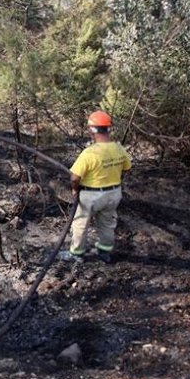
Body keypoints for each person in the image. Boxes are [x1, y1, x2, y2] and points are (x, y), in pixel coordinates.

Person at [57, 110, 132, 264]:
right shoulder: (119, 149)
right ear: (108, 129)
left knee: (80, 224)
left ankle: (77, 253)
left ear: (92, 130)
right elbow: (126, 168)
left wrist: (74, 189)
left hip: (91, 196)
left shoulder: (89, 153)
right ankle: (105, 252)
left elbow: (75, 177)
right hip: (114, 193)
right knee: (107, 224)